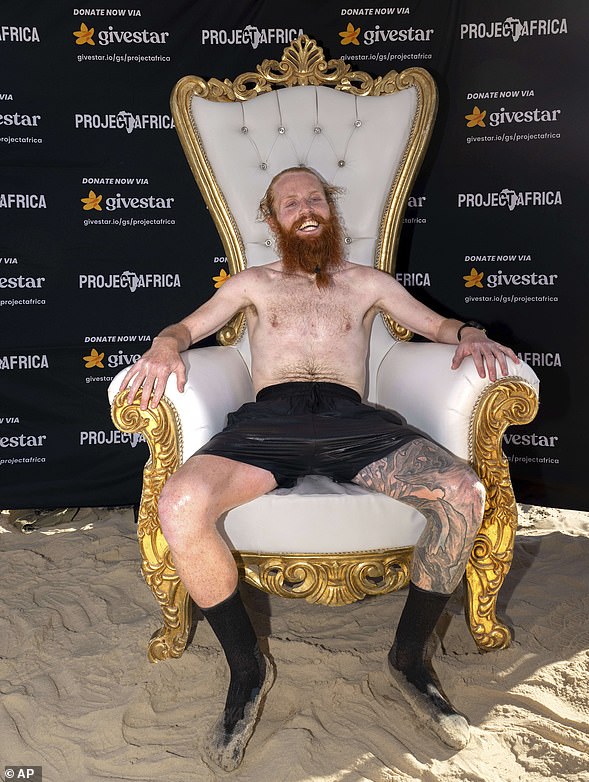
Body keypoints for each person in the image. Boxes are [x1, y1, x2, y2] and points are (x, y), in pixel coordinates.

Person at [120, 166, 520, 771]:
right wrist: (164, 344)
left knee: (462, 492)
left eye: (314, 198)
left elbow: (434, 326)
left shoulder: (367, 282)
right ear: (272, 218)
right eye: (289, 202)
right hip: (268, 424)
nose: (304, 208)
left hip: (351, 422)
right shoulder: (251, 284)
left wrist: (470, 333)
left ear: (329, 208)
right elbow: (187, 326)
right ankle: (247, 670)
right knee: (179, 504)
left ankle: (409, 659)